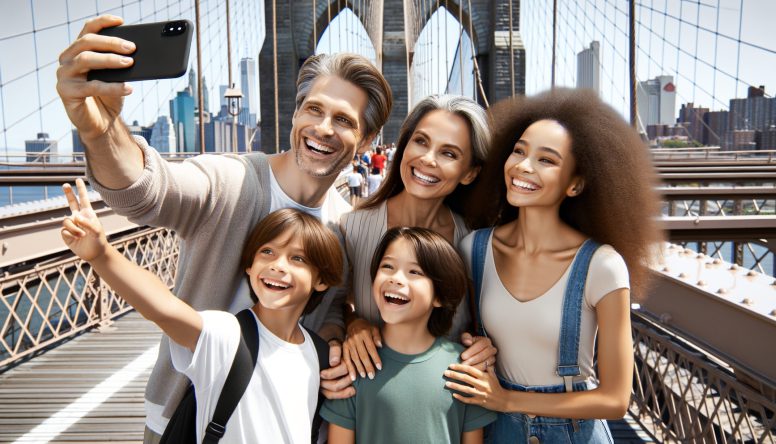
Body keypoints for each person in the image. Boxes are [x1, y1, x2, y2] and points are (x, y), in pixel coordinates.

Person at [56, 14, 392, 441]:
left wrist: (349, 330)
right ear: (295, 114)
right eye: (314, 109)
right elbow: (146, 192)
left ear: (366, 140)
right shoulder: (231, 180)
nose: (323, 128)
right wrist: (98, 127)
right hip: (190, 423)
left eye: (344, 120)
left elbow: (330, 314)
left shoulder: (345, 228)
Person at [446, 89, 662, 443]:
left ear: (575, 184)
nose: (523, 167)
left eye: (546, 160)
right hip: (498, 430)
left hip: (575, 433)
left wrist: (508, 399)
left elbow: (615, 399)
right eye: (518, 150)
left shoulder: (601, 266)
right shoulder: (475, 250)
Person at [60, 180, 343, 443]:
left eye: (297, 259)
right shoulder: (229, 336)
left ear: (322, 280)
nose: (278, 265)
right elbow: (163, 308)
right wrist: (101, 255)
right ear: (249, 266)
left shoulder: (318, 355)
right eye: (267, 252)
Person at [335, 94, 496, 389]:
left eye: (449, 153)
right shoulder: (351, 228)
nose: (427, 159)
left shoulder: (474, 244)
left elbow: (483, 326)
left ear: (470, 173)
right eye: (420, 141)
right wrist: (352, 323)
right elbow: (330, 306)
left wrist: (484, 345)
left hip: (447, 409)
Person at [321, 227, 497, 443]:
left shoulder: (465, 370)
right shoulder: (354, 364)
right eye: (387, 266)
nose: (395, 278)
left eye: (414, 272)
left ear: (440, 296)